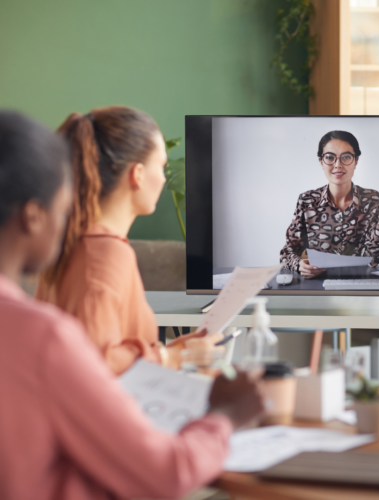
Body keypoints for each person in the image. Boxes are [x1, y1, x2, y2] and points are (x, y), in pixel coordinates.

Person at [0, 109, 263, 500]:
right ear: (33, 216)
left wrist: (168, 354)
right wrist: (225, 416)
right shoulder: (48, 328)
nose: (69, 214)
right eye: (62, 202)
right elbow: (167, 471)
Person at [36, 106, 221, 374]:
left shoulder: (71, 243)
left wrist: (170, 352)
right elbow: (94, 363)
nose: (164, 177)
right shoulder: (105, 253)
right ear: (137, 174)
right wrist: (170, 358)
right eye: (161, 166)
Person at [280, 130, 379, 279]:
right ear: (321, 162)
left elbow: (373, 260)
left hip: (359, 284)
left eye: (346, 157)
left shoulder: (372, 200)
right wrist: (299, 265)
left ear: (356, 161)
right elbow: (287, 252)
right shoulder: (307, 201)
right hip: (317, 284)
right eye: (330, 157)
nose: (338, 165)